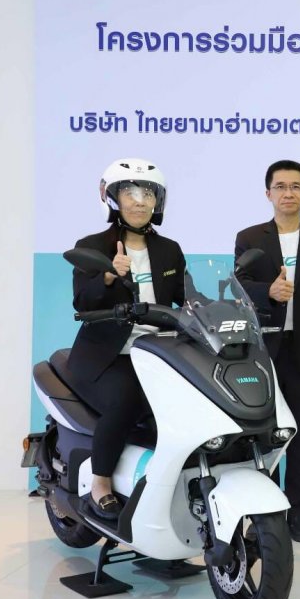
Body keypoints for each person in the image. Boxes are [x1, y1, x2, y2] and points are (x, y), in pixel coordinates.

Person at [67, 158, 185, 521]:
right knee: (124, 401)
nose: (139, 201)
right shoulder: (93, 246)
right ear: (114, 198)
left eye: (147, 194)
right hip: (106, 356)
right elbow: (82, 301)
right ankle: (100, 482)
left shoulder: (169, 250)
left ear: (157, 201)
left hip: (156, 353)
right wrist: (107, 277)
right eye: (130, 193)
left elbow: (187, 298)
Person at [234, 160, 300, 543]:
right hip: (262, 352)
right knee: (262, 435)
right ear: (269, 193)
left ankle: (298, 509)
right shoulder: (250, 237)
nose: (288, 193)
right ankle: (266, 511)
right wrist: (268, 292)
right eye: (280, 187)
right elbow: (238, 285)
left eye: (296, 186)